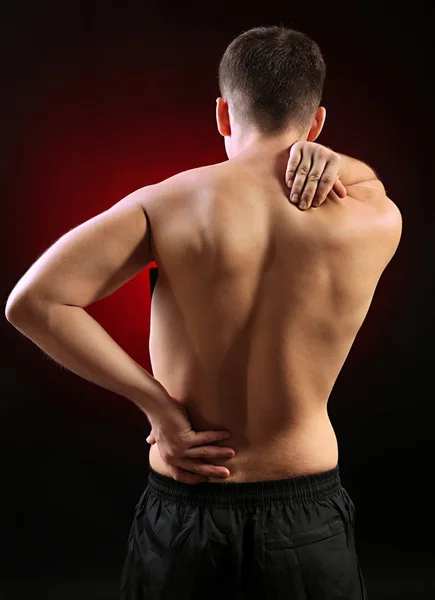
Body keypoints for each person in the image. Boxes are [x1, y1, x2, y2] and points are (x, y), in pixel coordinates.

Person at [5, 25, 401, 600]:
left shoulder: (167, 203)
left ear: (221, 113)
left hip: (188, 503)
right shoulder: (375, 218)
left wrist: (159, 409)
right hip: (307, 510)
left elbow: (32, 302)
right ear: (316, 123)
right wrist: (343, 163)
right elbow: (375, 182)